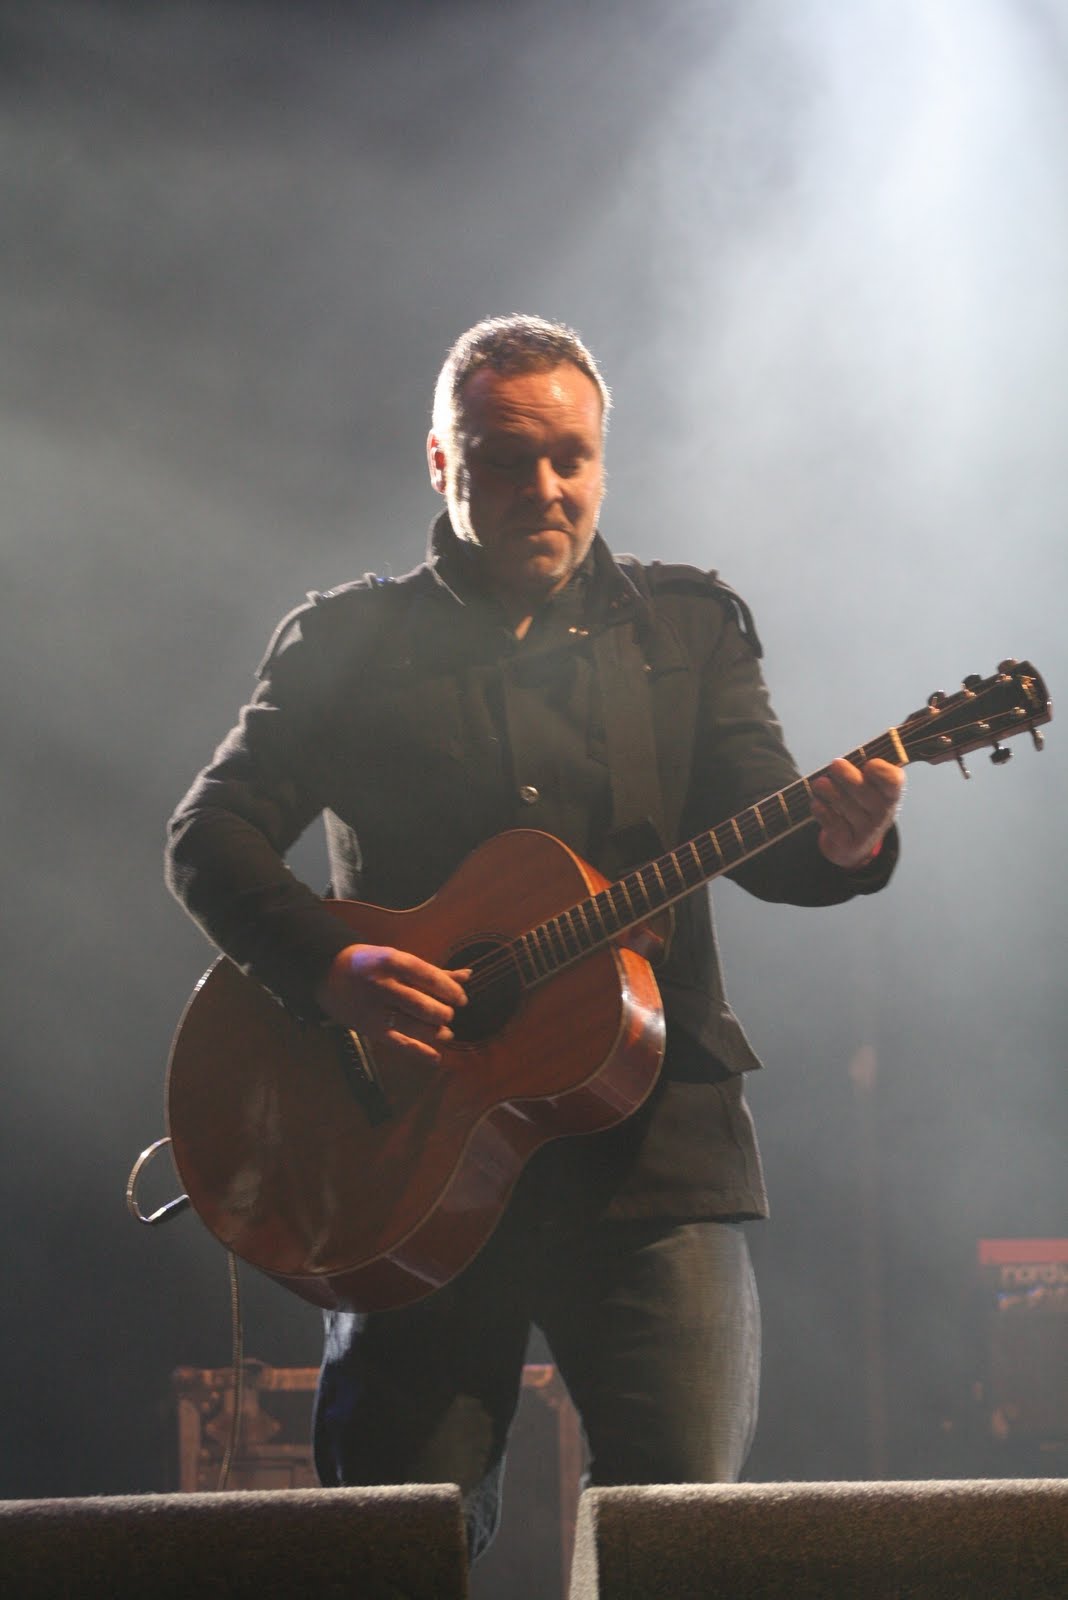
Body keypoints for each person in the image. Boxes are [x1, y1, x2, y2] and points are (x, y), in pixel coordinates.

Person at [166, 313, 903, 1556]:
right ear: (441, 464)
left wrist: (848, 844)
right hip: (409, 1157)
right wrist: (331, 967)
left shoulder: (687, 629)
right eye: (505, 460)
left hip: (649, 1146)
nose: (545, 488)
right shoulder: (346, 643)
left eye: (571, 457)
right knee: (400, 1538)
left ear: (604, 458)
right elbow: (210, 836)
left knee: (679, 1538)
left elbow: (768, 834)